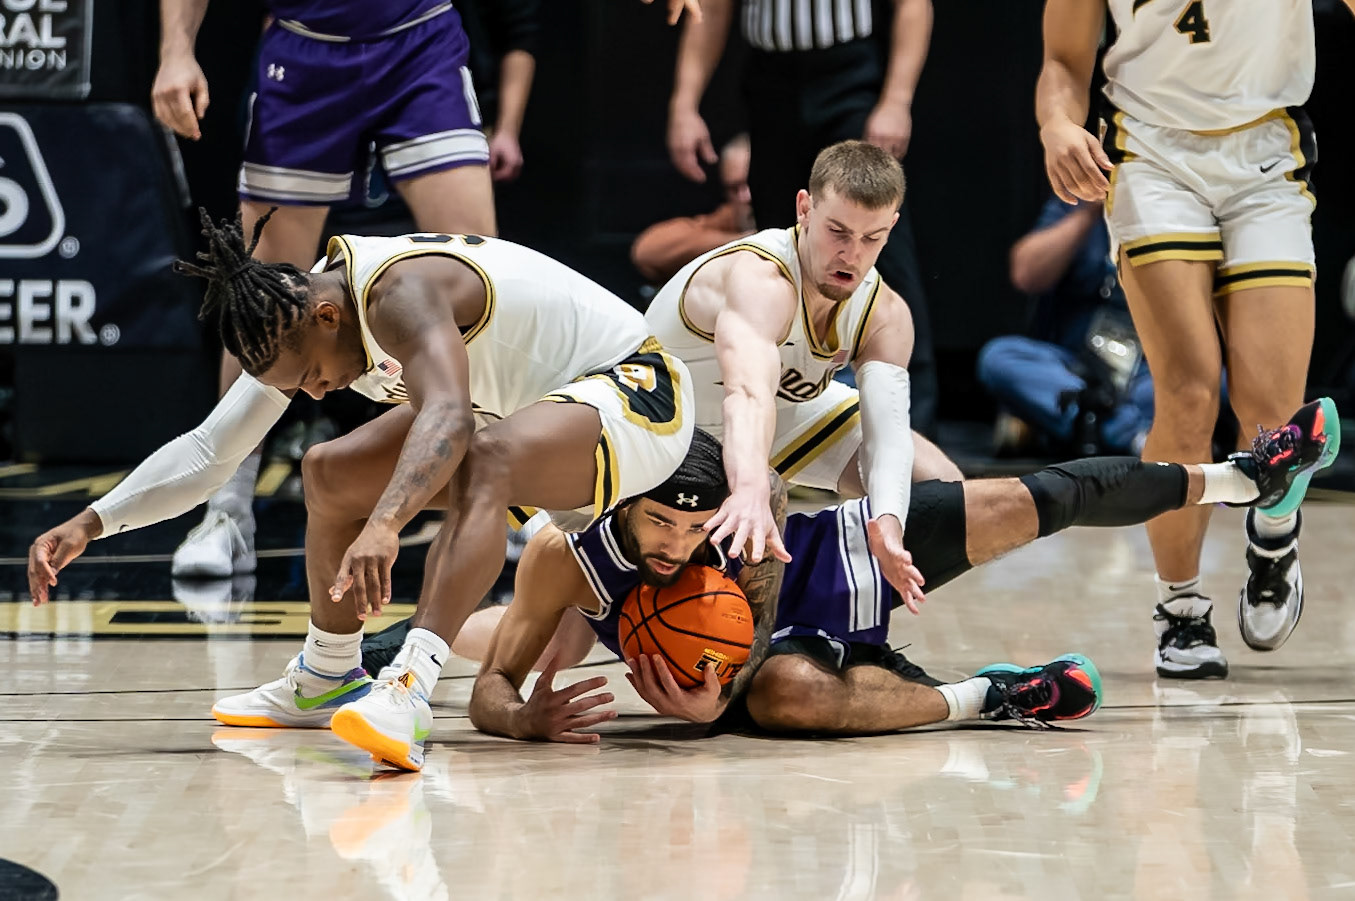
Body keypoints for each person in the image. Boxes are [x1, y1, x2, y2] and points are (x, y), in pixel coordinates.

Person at [26, 211, 694, 773]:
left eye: (313, 376)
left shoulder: (397, 293)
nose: (316, 391)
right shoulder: (301, 321)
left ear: (324, 315)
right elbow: (210, 449)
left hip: (637, 392)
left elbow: (449, 419)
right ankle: (326, 675)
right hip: (526, 408)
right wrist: (92, 520)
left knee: (481, 455)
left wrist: (385, 523)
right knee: (327, 471)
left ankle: (409, 688)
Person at [464, 404, 1338, 741]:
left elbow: (754, 610)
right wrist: (525, 722)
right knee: (788, 699)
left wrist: (712, 703)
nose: (679, 545)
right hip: (762, 660)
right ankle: (988, 696)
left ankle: (1247, 476)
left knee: (1022, 501)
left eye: (698, 530)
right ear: (622, 503)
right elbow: (490, 687)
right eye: (661, 525)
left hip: (815, 560)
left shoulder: (743, 512)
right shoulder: (565, 549)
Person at [1037, 0, 1347, 678]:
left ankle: (1271, 537)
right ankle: (1178, 607)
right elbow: (1062, 60)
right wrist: (1057, 123)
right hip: (1150, 152)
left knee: (1272, 416)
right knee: (1186, 391)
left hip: (1264, 147)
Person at [153, 0, 499, 580]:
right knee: (262, 299)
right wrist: (175, 50)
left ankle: (513, 502)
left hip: (419, 38)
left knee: (484, 275)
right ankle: (227, 510)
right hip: (306, 48)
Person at [644, 140, 960, 612]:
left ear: (892, 226)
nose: (851, 255)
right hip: (658, 428)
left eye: (871, 238)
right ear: (805, 208)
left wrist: (888, 523)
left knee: (943, 496)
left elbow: (888, 436)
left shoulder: (886, 313)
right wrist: (749, 484)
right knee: (570, 620)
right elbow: (748, 394)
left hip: (773, 423)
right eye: (838, 231)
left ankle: (814, 606)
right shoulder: (762, 277)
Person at [665, 0, 942, 435]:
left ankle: (914, 427)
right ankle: (772, 425)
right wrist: (684, 103)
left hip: (848, 72)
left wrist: (897, 99)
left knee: (877, 243)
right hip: (768, 78)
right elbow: (713, 9)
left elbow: (913, 5)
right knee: (780, 250)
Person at [977, 196, 1154, 457]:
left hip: (1148, 373)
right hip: (1076, 370)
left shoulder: (1174, 195)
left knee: (1220, 378)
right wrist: (1091, 212)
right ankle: (1135, 436)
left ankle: (1093, 428)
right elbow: (1025, 274)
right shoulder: (1081, 195)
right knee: (999, 357)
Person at [631, 134, 756, 284]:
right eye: (734, 188)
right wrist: (747, 241)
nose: (745, 196)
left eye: (752, 183)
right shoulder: (730, 218)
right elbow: (647, 251)